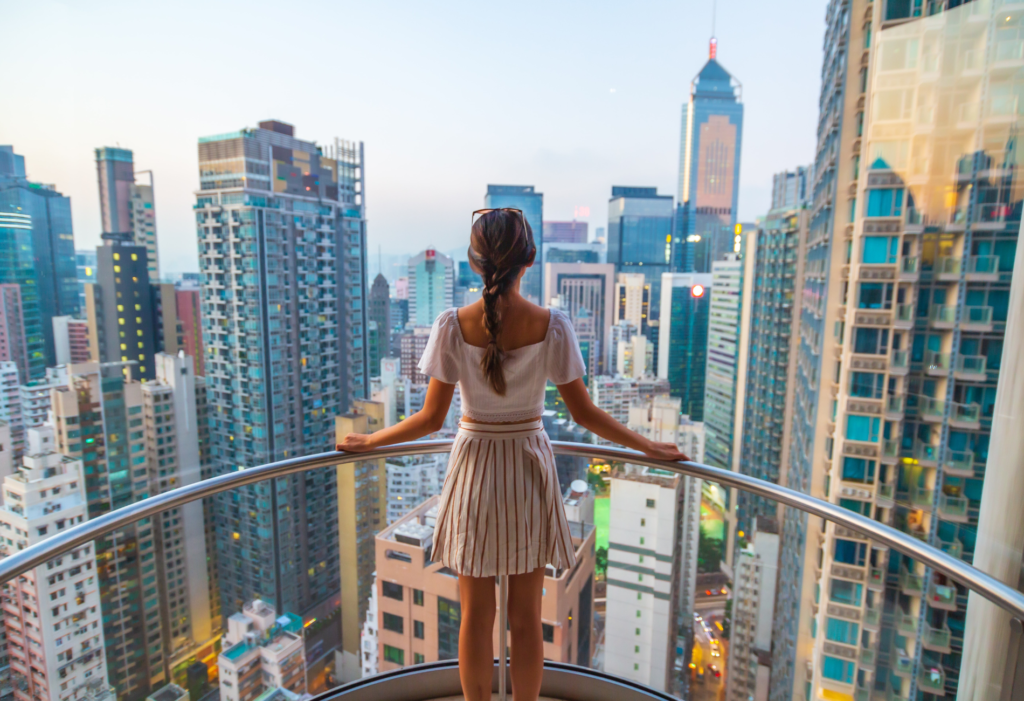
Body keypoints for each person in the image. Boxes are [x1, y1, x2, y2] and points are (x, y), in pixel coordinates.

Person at [337, 208, 689, 701]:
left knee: (475, 618)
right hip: (528, 469)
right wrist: (647, 445)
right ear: (530, 259)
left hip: (475, 470)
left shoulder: (451, 325)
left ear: (474, 262)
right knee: (526, 618)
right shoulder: (553, 325)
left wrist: (370, 441)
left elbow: (432, 419)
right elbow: (585, 414)